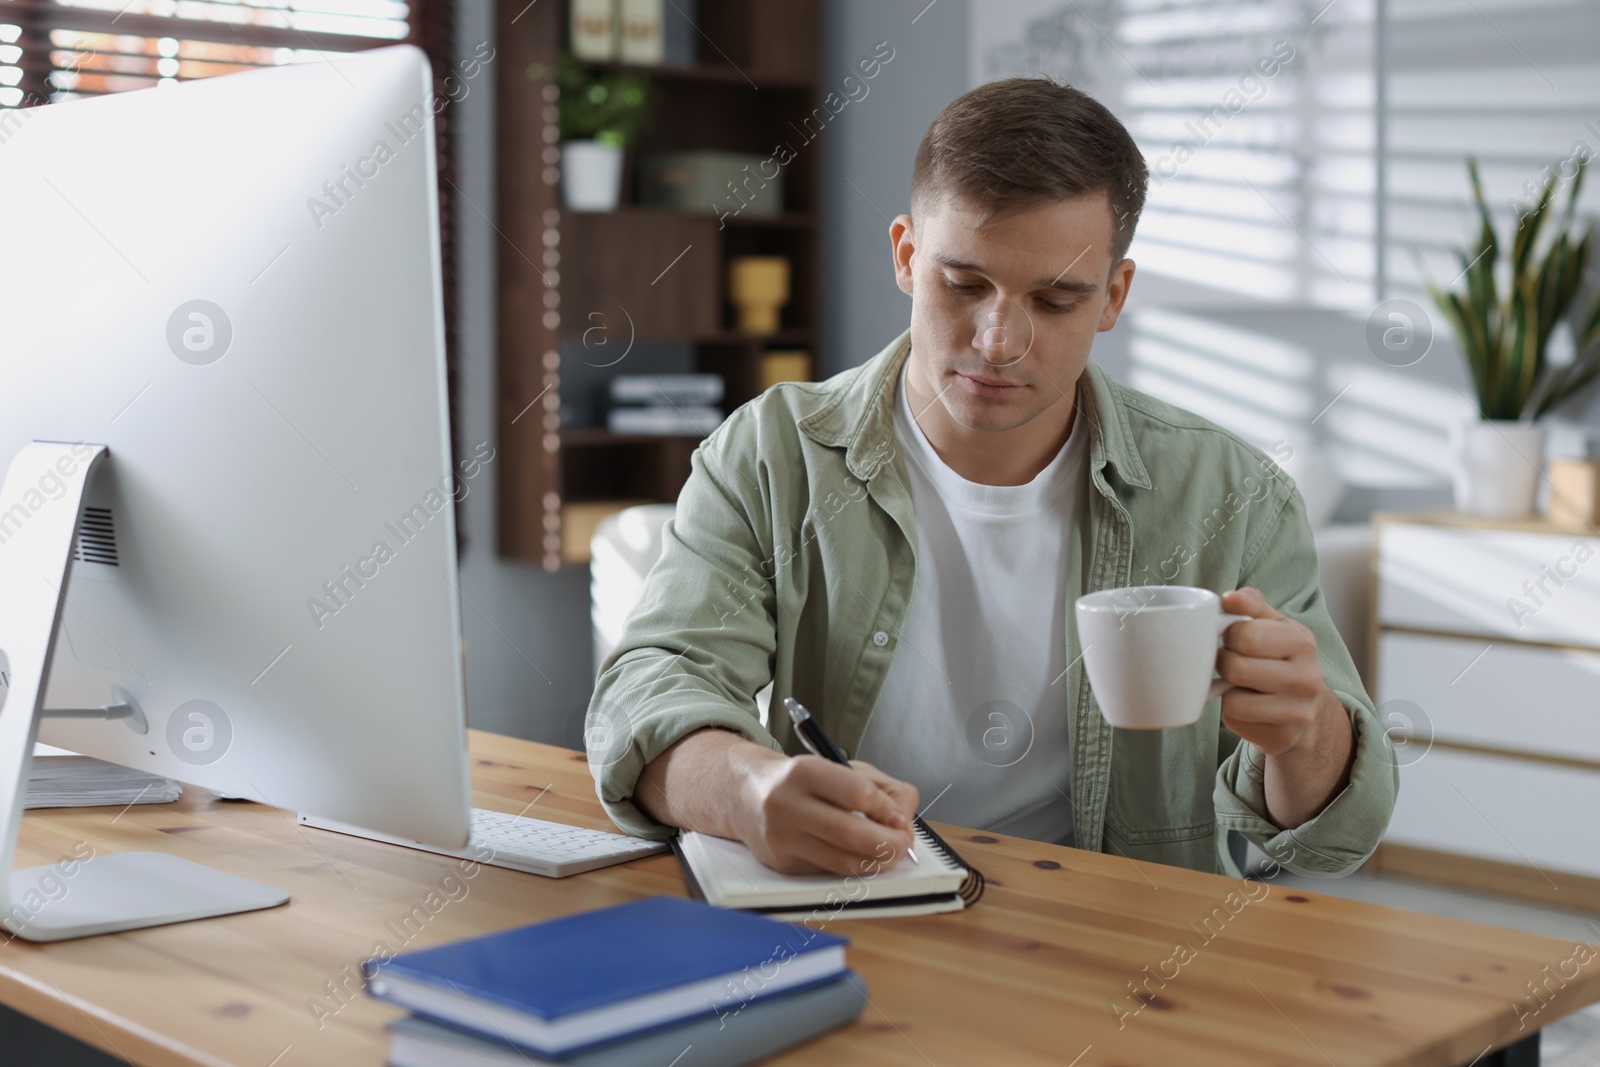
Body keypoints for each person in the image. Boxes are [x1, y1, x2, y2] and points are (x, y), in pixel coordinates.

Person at [585, 77, 1396, 879]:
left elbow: (1336, 837)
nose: (999, 339)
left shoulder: (1233, 496)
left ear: (1113, 296)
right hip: (856, 909)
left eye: (1055, 300)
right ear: (906, 255)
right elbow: (649, 689)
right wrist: (750, 789)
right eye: (963, 284)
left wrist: (1306, 731)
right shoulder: (770, 455)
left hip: (1122, 954)